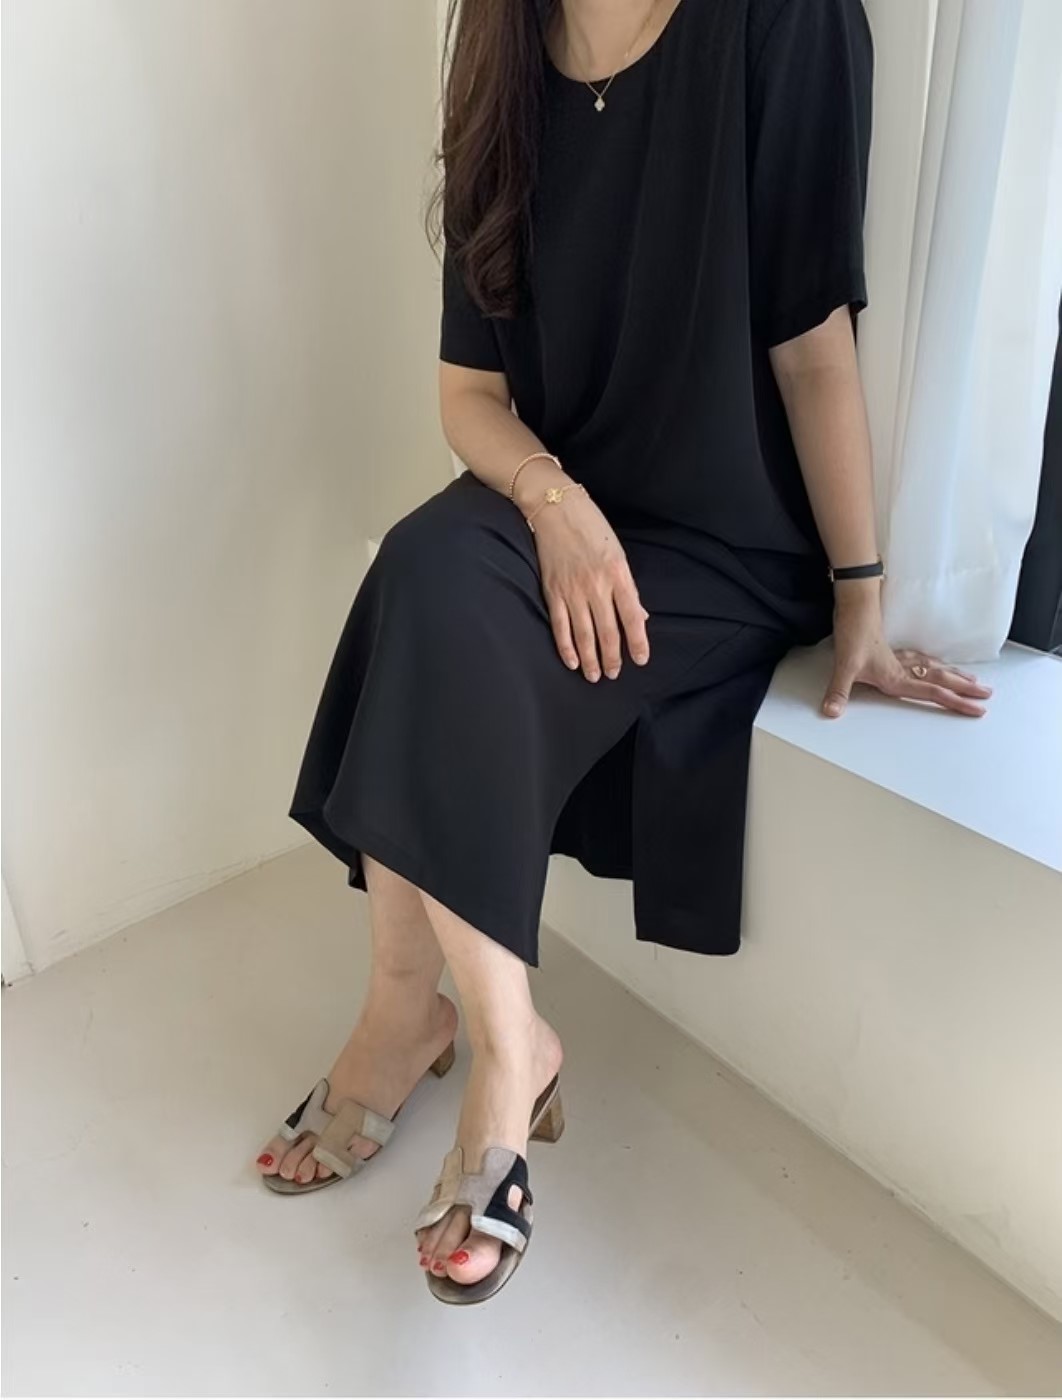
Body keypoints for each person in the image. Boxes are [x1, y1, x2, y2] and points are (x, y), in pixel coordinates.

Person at [253, 0, 991, 1305]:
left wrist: (860, 598)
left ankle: (471, 1059)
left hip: (722, 542)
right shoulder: (497, 40)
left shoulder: (785, 22)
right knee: (422, 566)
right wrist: (553, 503)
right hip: (564, 504)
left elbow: (813, 346)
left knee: (437, 608)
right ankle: (456, 1021)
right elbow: (469, 397)